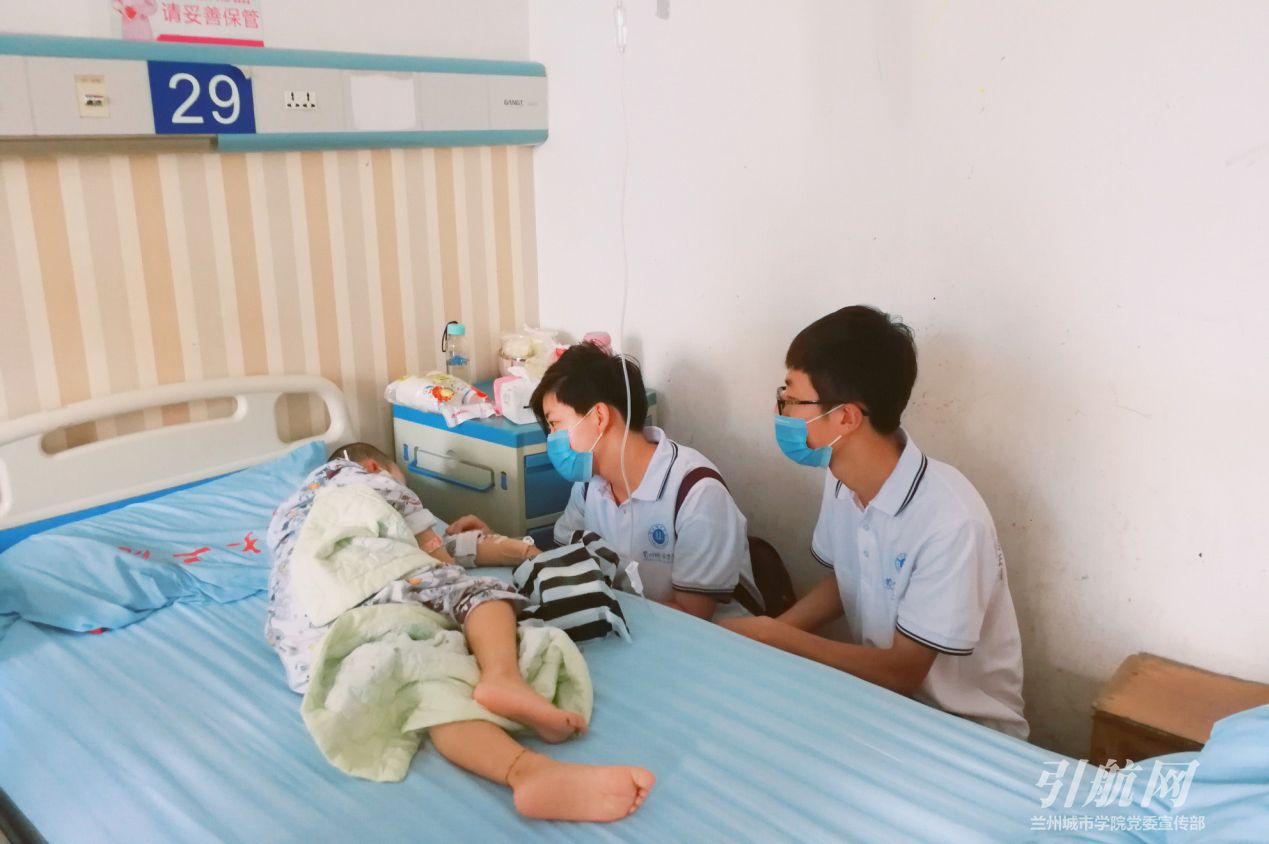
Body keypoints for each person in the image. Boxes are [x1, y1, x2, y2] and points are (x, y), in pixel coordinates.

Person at [266, 442, 655, 821]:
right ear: (374, 467)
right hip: (362, 577)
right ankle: (502, 676)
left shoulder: (285, 520)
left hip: (309, 635)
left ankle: (525, 770)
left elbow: (446, 545)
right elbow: (437, 556)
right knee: (480, 594)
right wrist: (450, 573)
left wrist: (520, 549)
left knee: (428, 676)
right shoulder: (361, 481)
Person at [723, 306, 1028, 739]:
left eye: (791, 398)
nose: (780, 410)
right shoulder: (841, 479)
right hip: (882, 705)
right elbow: (847, 580)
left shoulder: (952, 522)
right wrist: (770, 631)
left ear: (846, 418)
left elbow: (903, 671)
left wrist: (774, 637)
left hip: (963, 733)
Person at [531, 343, 762, 621]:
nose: (551, 439)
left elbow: (693, 617)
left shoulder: (696, 492)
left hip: (706, 638)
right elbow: (565, 565)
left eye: (555, 424)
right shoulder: (589, 485)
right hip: (629, 629)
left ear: (599, 417)